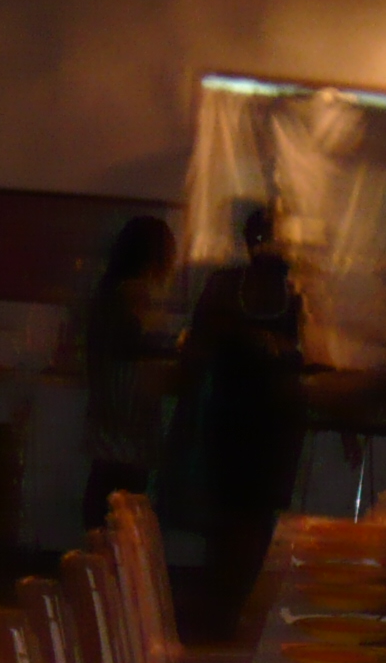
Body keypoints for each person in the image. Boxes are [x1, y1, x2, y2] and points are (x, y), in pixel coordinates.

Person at [159, 202, 306, 630]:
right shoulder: (225, 286)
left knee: (254, 523)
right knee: (231, 521)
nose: (269, 246)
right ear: (250, 240)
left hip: (271, 425)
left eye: (275, 237)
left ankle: (239, 615)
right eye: (263, 237)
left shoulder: (294, 291)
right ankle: (224, 617)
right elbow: (198, 346)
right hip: (231, 419)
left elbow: (304, 356)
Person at [79, 214, 177, 524]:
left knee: (105, 483)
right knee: (125, 496)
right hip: (129, 411)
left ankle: (98, 542)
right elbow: (143, 344)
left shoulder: (109, 291)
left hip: (109, 404)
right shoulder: (135, 292)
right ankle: (114, 546)